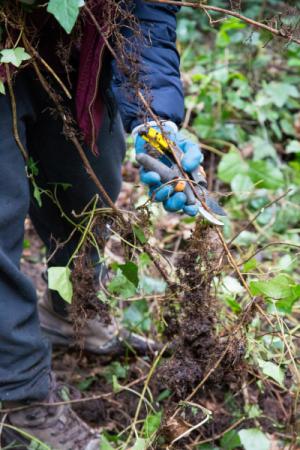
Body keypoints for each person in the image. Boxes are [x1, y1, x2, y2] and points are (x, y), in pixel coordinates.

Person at [0, 1, 203, 448]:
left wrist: (154, 115)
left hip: (71, 50)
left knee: (89, 183)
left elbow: (147, 10)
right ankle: (17, 396)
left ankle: (75, 312)